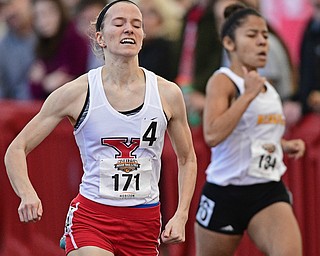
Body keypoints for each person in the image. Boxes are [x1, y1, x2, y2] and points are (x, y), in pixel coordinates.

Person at [4, 1, 197, 256]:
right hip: (92, 218)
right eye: (119, 24)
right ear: (100, 37)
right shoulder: (77, 92)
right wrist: (27, 193)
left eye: (136, 25)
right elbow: (16, 148)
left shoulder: (167, 93)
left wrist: (181, 214)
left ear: (142, 36)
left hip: (144, 224)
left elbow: (187, 158)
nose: (129, 29)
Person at [195, 3, 305, 256]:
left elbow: (256, 138)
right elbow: (212, 135)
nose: (262, 42)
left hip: (267, 189)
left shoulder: (267, 88)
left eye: (265, 35)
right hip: (226, 191)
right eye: (252, 35)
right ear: (230, 44)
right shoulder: (223, 81)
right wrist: (247, 96)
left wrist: (285, 145)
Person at [29, 0, 88, 100]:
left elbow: (73, 85)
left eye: (48, 13)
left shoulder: (75, 39)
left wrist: (42, 83)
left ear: (60, 12)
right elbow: (34, 88)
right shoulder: (42, 43)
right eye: (37, 16)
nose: (43, 21)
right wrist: (43, 84)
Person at [137, 0, 182, 81]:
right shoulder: (135, 48)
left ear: (163, 18)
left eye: (151, 14)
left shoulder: (169, 49)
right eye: (141, 13)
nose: (144, 20)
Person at [0, 0, 35, 100]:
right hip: (19, 111)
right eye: (3, 8)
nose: (9, 11)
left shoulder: (50, 34)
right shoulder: (3, 48)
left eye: (11, 3)